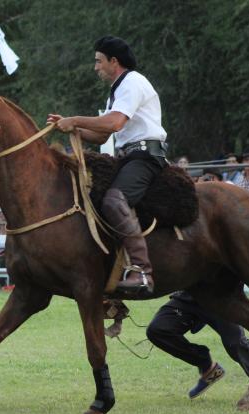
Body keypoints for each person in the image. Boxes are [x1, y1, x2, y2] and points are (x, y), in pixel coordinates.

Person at [47, 36, 167, 297]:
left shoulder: (132, 82)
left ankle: (142, 270)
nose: (95, 67)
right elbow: (102, 136)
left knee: (114, 201)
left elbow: (113, 124)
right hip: (128, 158)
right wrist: (71, 127)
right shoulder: (118, 90)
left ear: (114, 61)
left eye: (99, 61)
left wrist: (75, 119)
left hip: (145, 158)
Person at [146, 291, 249, 398]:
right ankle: (207, 367)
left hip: (222, 298)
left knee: (235, 344)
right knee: (157, 330)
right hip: (190, 296)